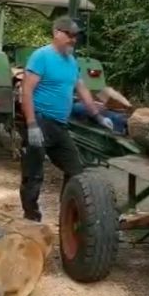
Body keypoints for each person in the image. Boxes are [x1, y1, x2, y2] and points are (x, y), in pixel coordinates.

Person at [20, 16, 113, 221]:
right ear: (56, 33)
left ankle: (67, 214)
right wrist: (32, 124)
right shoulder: (41, 56)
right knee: (33, 174)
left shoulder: (71, 62)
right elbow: (26, 91)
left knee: (76, 171)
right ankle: (31, 218)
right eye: (69, 35)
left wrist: (98, 117)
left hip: (59, 127)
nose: (73, 39)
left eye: (75, 36)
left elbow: (82, 90)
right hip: (41, 122)